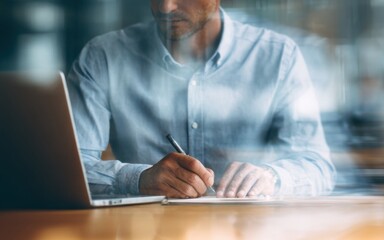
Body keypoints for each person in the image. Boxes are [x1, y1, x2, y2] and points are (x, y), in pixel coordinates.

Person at [66, 0, 335, 198]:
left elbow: (317, 166)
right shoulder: (103, 56)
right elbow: (69, 170)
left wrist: (272, 178)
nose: (165, 8)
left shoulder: (278, 56)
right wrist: (138, 180)